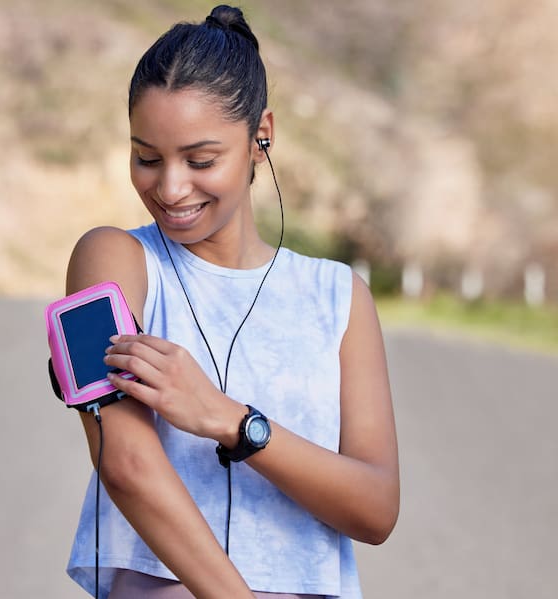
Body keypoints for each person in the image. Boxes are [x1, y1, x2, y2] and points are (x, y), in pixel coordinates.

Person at [62, 5, 399, 598]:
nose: (169, 188)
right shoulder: (108, 262)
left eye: (200, 160)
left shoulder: (339, 297)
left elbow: (375, 510)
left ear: (261, 135)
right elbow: (126, 464)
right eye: (146, 157)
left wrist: (230, 421)